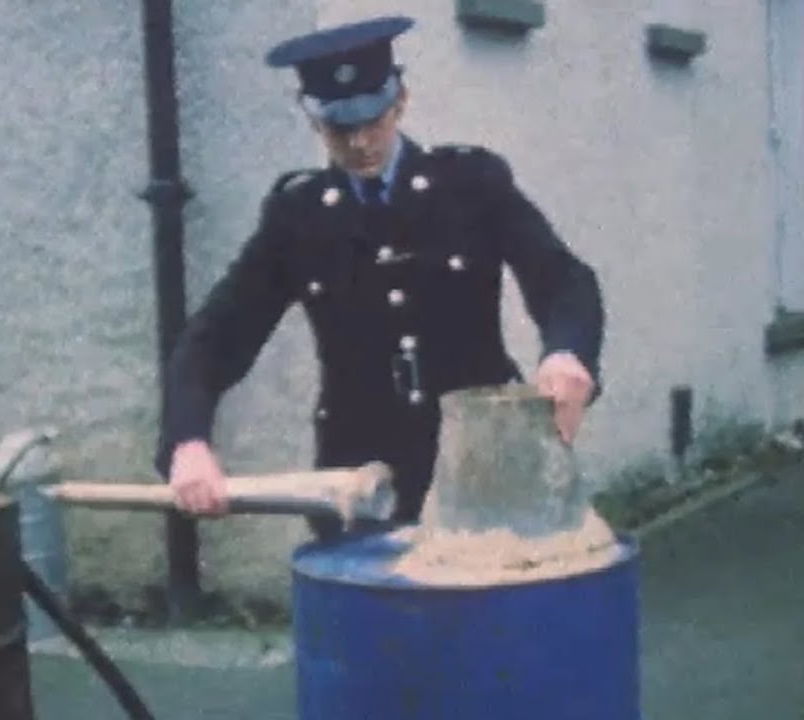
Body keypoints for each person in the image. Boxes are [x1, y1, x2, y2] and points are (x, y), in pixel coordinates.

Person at [156, 16, 604, 536]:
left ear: (401, 102)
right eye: (341, 128)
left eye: (375, 119)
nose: (362, 142)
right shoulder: (299, 216)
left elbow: (563, 279)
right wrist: (187, 442)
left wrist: (567, 352)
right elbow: (217, 336)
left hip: (485, 470)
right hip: (361, 489)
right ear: (314, 122)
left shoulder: (470, 185)